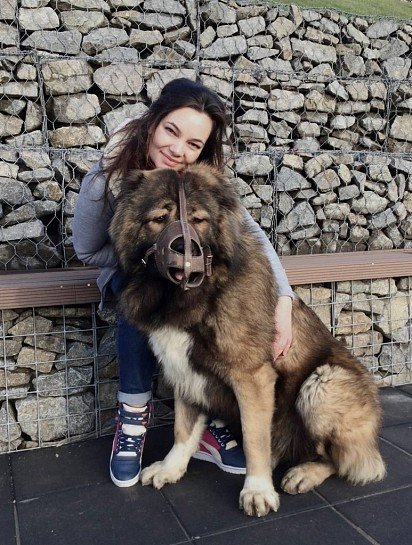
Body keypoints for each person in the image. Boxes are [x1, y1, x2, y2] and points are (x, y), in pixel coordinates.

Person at [73, 78, 294, 488]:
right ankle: (134, 419)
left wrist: (283, 298)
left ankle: (206, 423)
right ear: (153, 122)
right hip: (134, 273)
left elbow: (252, 235)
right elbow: (87, 250)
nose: (178, 150)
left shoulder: (199, 179)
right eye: (172, 132)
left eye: (193, 144)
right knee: (137, 297)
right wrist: (145, 257)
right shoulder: (109, 176)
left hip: (195, 278)